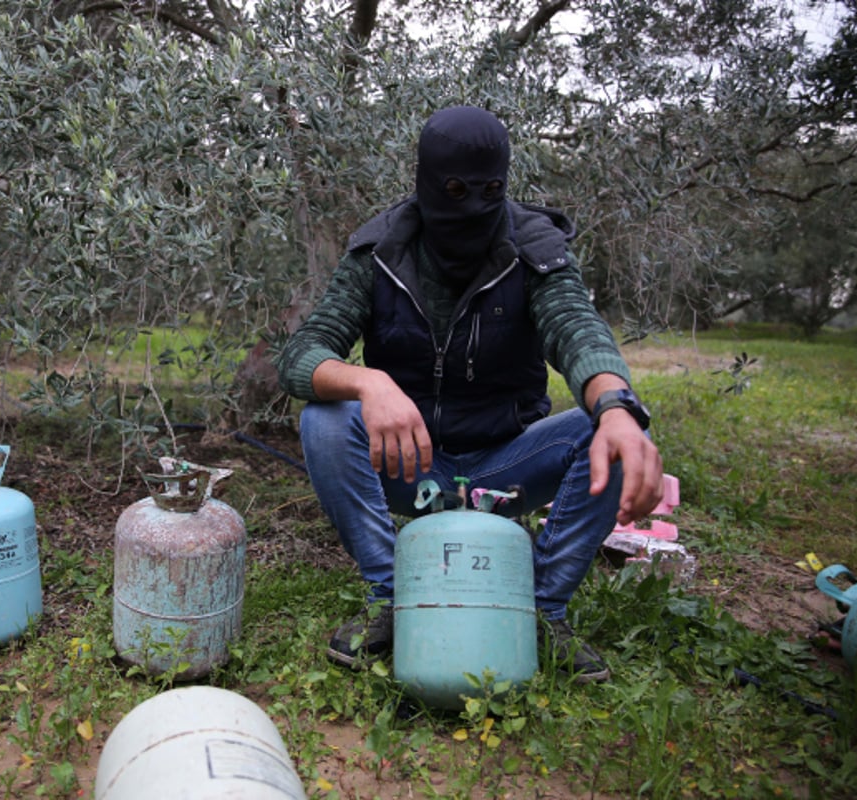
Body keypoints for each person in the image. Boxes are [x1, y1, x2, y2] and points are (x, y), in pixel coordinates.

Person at [274, 105, 664, 683]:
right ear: (426, 180)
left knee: (603, 428)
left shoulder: (534, 248)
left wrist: (615, 407)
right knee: (326, 419)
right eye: (453, 188)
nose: (471, 205)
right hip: (410, 460)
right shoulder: (382, 250)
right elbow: (302, 353)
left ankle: (538, 609)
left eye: (489, 189)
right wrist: (368, 380)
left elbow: (577, 329)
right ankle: (393, 599)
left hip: (506, 466)